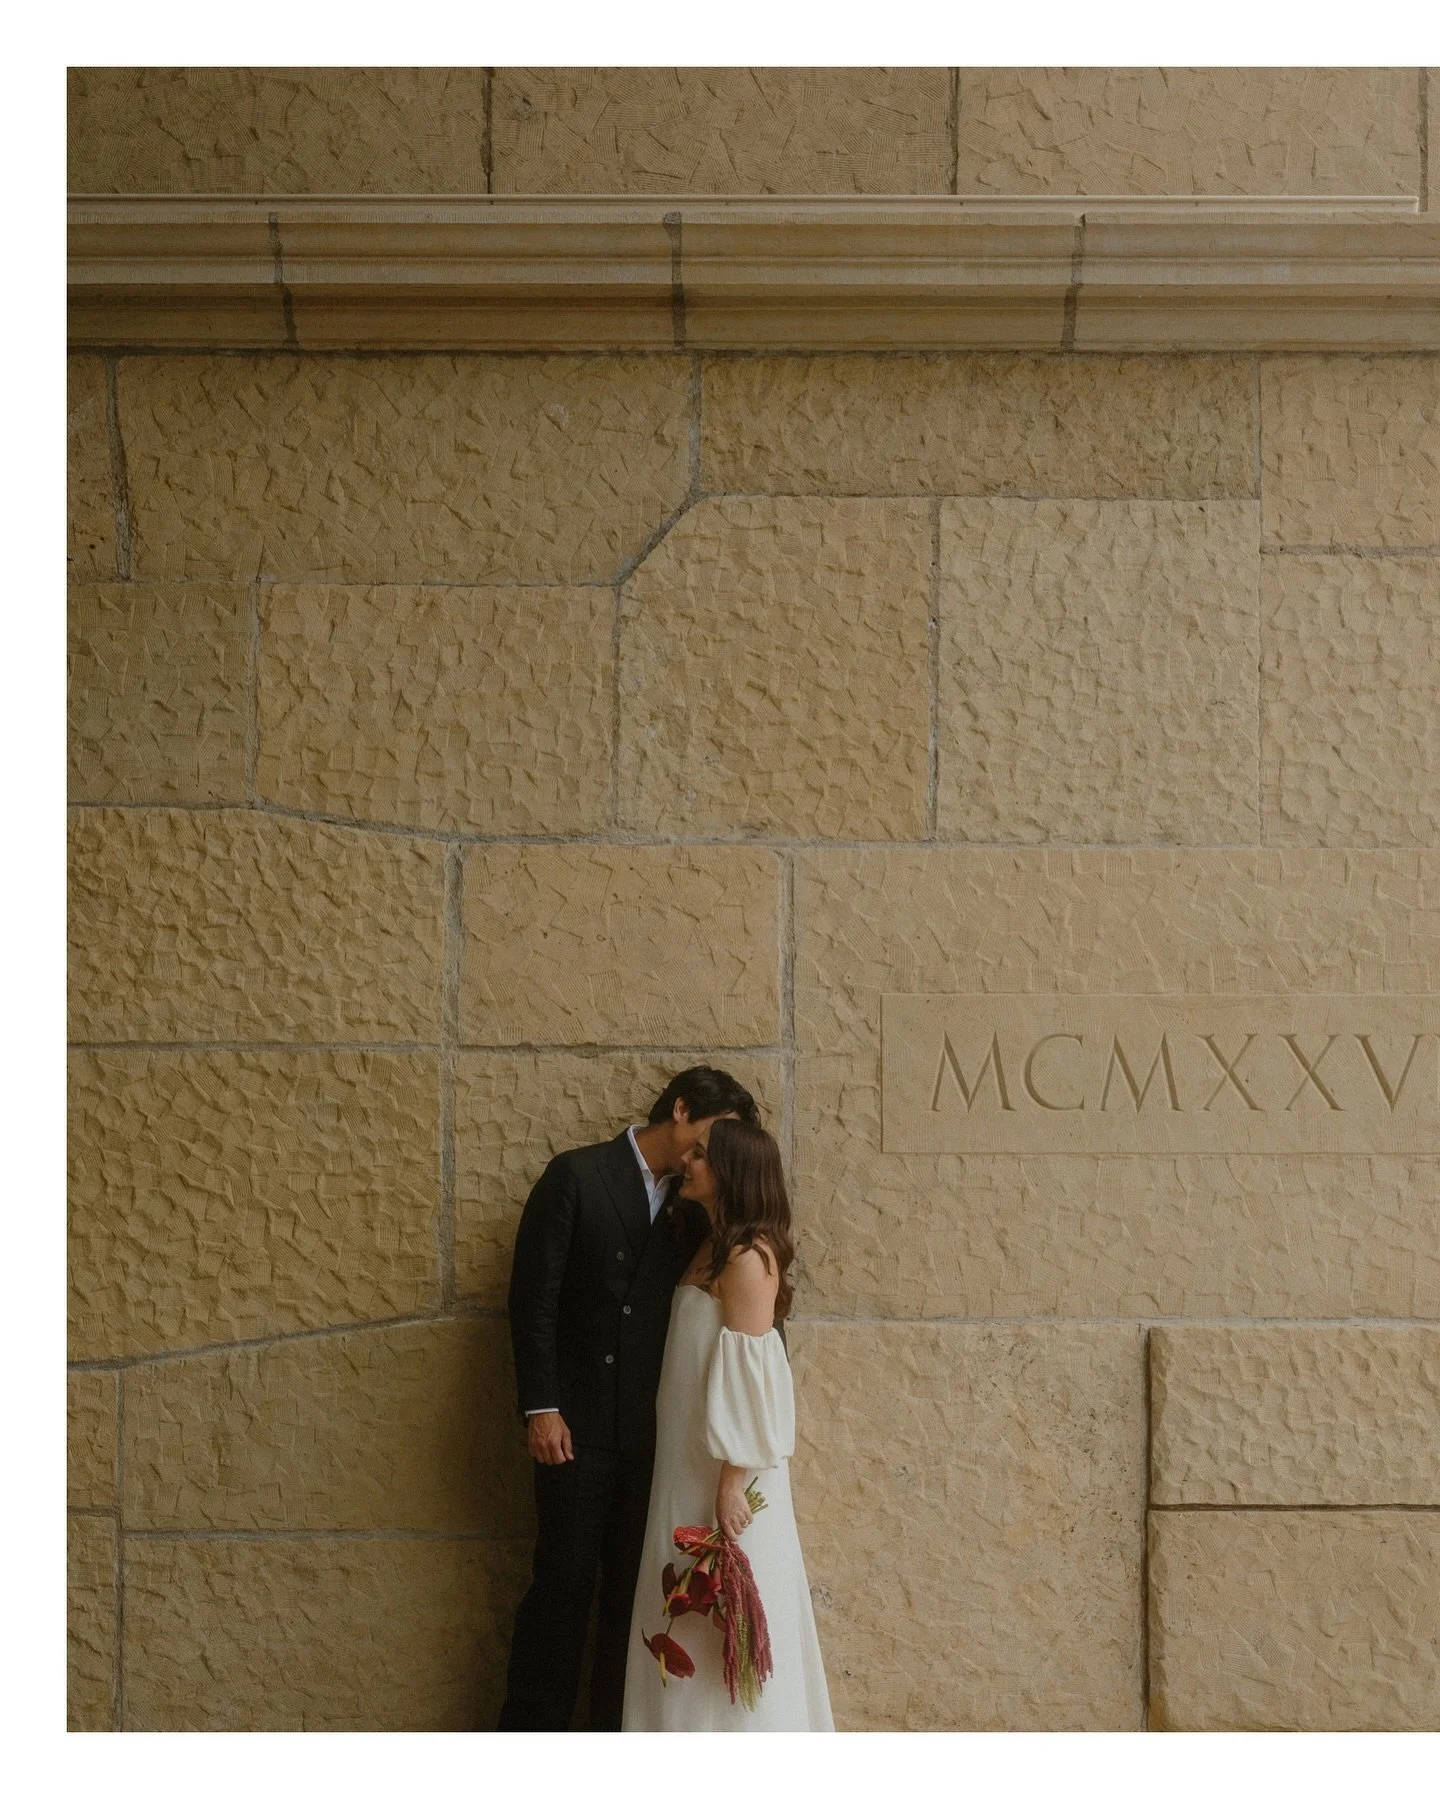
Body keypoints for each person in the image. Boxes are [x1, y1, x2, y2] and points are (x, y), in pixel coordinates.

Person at [498, 1065, 760, 1732]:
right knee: (560, 1590)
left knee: (633, 1602)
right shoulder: (577, 1175)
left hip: (654, 1440)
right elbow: (533, 1301)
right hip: (573, 1430)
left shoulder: (695, 1203)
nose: (715, 1155)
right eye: (713, 1135)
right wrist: (541, 1406)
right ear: (681, 1109)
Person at [622, 1119, 833, 1731]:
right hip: (684, 1464)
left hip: (724, 1476)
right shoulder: (711, 1247)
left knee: (719, 1628)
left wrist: (732, 1481)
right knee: (674, 1607)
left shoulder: (748, 1259)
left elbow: (754, 1375)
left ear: (732, 1173)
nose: (686, 1161)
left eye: (701, 1155)